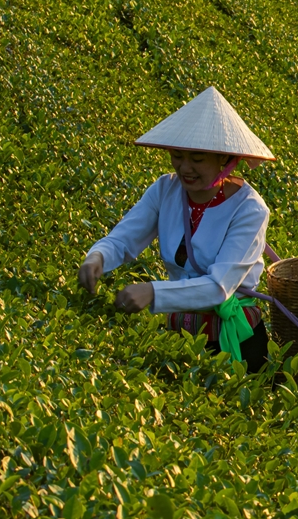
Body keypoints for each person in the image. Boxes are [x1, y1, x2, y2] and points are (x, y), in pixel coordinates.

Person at [78, 86, 277, 370]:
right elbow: (122, 240)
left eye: (197, 159)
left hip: (234, 342)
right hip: (179, 334)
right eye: (177, 155)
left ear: (224, 159)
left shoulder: (250, 210)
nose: (184, 168)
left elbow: (218, 287)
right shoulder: (165, 190)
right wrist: (97, 257)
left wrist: (154, 292)